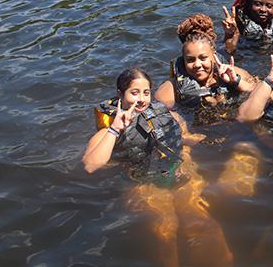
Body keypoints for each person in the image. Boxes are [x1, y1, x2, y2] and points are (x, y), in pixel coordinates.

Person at [83, 68, 233, 267]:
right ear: (120, 94)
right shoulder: (111, 126)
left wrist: (206, 143)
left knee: (203, 225)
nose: (141, 99)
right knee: (165, 231)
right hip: (143, 183)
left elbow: (183, 136)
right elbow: (91, 165)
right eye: (134, 93)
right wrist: (115, 128)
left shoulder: (160, 111)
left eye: (146, 92)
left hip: (178, 174)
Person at [155, 13, 256, 128]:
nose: (197, 65)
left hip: (236, 126)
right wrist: (185, 133)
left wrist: (237, 81)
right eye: (190, 60)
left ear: (213, 55)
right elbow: (159, 113)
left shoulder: (235, 73)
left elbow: (261, 92)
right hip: (199, 131)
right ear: (183, 59)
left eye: (203, 58)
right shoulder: (171, 88)